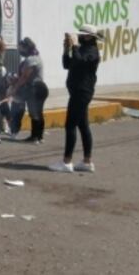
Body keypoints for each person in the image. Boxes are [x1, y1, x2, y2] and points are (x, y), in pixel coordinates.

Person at [50, 26, 103, 173]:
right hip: (77, 92)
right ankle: (87, 162)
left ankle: (66, 162)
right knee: (83, 125)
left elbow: (80, 62)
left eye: (81, 34)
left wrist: (74, 46)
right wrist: (66, 49)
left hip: (82, 92)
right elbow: (67, 65)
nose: (78, 36)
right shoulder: (81, 49)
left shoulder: (92, 51)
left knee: (70, 125)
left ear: (89, 37)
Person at [15, 37, 49, 144]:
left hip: (35, 88)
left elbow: (25, 77)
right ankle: (39, 137)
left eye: (20, 48)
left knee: (34, 113)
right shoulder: (36, 57)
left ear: (26, 48)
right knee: (38, 112)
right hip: (40, 87)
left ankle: (34, 137)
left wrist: (15, 88)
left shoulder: (31, 59)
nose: (19, 51)